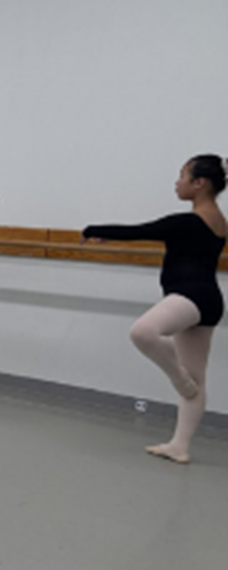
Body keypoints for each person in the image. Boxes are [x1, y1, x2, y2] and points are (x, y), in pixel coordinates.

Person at [82, 154, 226, 464]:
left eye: (182, 176)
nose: (177, 182)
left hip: (190, 296)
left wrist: (92, 228)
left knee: (143, 332)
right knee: (197, 378)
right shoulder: (218, 220)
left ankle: (178, 380)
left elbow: (138, 230)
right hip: (209, 300)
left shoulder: (187, 222)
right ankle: (180, 446)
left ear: (199, 183)